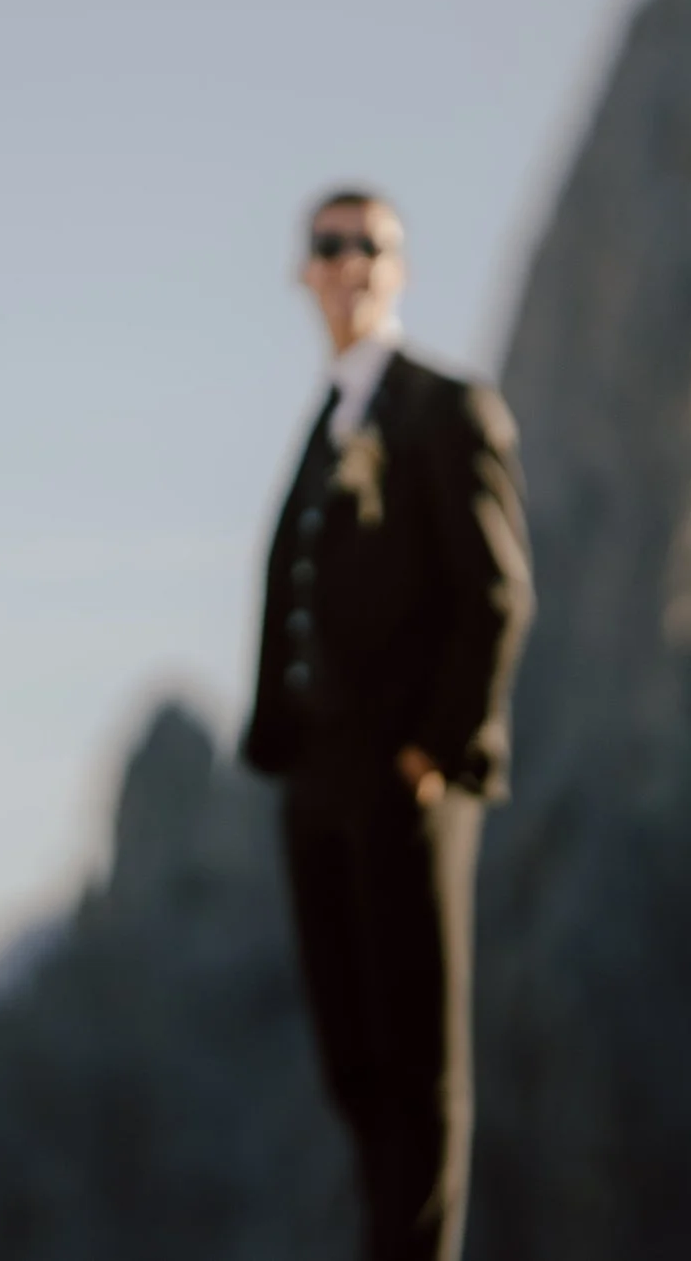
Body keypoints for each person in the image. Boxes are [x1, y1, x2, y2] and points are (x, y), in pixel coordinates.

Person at [238, 188, 532, 1261]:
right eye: (329, 244)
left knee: (419, 1060)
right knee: (354, 1062)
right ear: (304, 271)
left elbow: (498, 595)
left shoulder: (444, 406)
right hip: (315, 781)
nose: (350, 261)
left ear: (399, 270)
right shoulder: (328, 419)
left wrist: (431, 749)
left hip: (406, 783)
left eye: (371, 244)